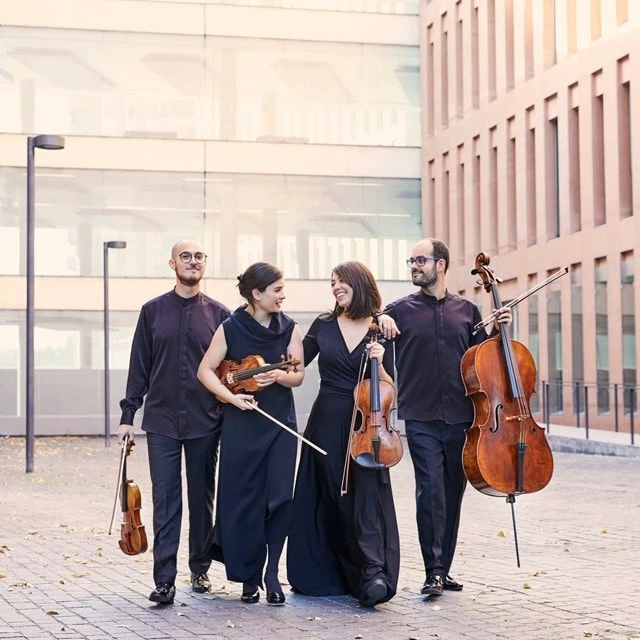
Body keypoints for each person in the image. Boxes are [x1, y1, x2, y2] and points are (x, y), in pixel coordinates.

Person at [379, 238, 511, 597]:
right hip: (421, 417)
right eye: (411, 261)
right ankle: (433, 571)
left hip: (463, 418)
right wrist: (381, 317)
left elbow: (485, 357)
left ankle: (444, 568)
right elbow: (375, 322)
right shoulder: (399, 310)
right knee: (431, 490)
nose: (414, 266)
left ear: (441, 264)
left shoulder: (467, 311)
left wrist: (499, 327)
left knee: (453, 493)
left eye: (420, 260)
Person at [117, 239, 230, 605]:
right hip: (161, 420)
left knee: (202, 499)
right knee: (165, 501)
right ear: (172, 264)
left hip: (206, 420)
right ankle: (164, 580)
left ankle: (199, 569)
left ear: (205, 264)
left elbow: (229, 371)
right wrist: (128, 415)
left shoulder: (221, 314)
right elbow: (139, 365)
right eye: (185, 256)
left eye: (198, 256)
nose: (192, 261)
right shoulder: (151, 311)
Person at [287, 261, 400, 608]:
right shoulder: (323, 324)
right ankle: (325, 573)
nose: (335, 287)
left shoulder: (380, 329)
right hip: (326, 420)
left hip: (367, 426)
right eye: (332, 282)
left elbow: (391, 388)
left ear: (359, 282)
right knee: (328, 493)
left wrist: (380, 360)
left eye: (341, 281)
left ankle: (373, 573)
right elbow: (295, 364)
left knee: (365, 496)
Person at [197, 262, 304, 606]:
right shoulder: (230, 327)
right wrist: (231, 397)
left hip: (280, 424)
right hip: (242, 424)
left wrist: (280, 376)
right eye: (277, 290)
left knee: (280, 499)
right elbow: (205, 371)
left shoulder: (290, 328)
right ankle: (248, 577)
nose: (283, 295)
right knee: (244, 499)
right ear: (256, 294)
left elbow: (298, 374)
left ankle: (272, 573)